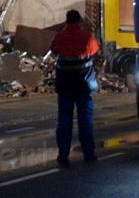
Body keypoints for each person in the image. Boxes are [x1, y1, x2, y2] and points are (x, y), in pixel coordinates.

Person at [50, 9, 100, 165]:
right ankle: (89, 154)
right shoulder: (87, 37)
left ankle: (63, 155)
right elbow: (94, 50)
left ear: (66, 21)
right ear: (79, 22)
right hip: (83, 85)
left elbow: (53, 50)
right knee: (85, 119)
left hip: (65, 85)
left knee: (64, 119)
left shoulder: (59, 37)